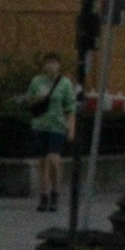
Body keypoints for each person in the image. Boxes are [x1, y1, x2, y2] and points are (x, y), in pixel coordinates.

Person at [22, 54, 76, 213]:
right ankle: (44, 195)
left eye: (54, 63)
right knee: (42, 161)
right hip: (40, 125)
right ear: (44, 66)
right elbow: (28, 101)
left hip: (58, 126)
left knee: (54, 158)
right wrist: (37, 98)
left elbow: (70, 108)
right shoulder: (37, 81)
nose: (51, 66)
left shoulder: (65, 84)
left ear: (59, 65)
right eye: (48, 63)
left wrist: (71, 129)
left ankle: (55, 191)